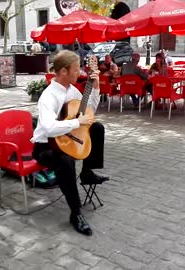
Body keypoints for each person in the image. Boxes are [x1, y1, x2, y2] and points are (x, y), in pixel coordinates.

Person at [31, 50, 108, 236]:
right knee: (65, 161)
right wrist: (76, 123)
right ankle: (76, 213)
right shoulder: (48, 96)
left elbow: (87, 112)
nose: (80, 73)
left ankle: (87, 173)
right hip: (46, 147)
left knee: (97, 127)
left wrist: (95, 87)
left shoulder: (71, 90)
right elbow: (49, 128)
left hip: (67, 139)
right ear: (63, 71)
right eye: (75, 69)